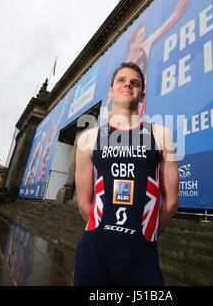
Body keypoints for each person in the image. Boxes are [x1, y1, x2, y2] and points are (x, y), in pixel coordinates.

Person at [74, 62, 179, 285]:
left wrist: (148, 235)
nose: (128, 85)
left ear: (142, 95)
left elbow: (171, 201)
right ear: (111, 91)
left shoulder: (161, 135)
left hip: (141, 255)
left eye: (135, 83)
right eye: (121, 80)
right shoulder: (88, 139)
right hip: (94, 252)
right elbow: (84, 202)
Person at [105, 0, 192, 117]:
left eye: (144, 34)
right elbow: (108, 104)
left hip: (138, 119)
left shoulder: (145, 47)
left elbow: (177, 13)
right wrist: (107, 113)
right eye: (141, 35)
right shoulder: (121, 73)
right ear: (132, 43)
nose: (144, 36)